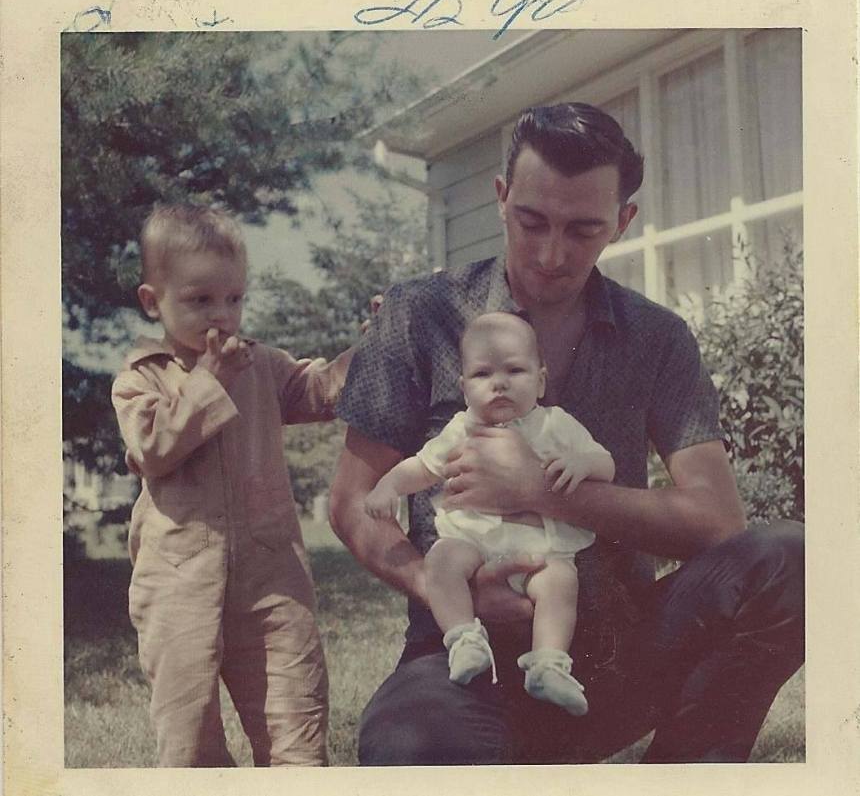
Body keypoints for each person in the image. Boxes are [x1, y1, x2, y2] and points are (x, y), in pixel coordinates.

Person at [329, 102, 804, 764]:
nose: (552, 254)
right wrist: (445, 590)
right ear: (501, 198)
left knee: (791, 559)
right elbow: (353, 501)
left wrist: (543, 490)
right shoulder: (419, 313)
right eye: (532, 222)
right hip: (463, 658)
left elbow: (717, 520)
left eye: (584, 229)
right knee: (416, 749)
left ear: (623, 221)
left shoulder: (658, 337)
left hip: (617, 654)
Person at [112, 204, 361, 767]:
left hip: (271, 578)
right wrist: (207, 381)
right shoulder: (140, 377)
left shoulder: (260, 365)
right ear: (153, 301)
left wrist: (376, 348)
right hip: (177, 583)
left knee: (296, 729)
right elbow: (151, 449)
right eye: (201, 300)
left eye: (234, 298)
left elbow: (322, 389)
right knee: (189, 741)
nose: (222, 316)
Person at [364, 311, 615, 716]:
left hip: (540, 549)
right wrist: (388, 486)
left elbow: (606, 463)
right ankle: (465, 639)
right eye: (483, 374)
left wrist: (581, 463)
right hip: (474, 542)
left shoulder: (555, 425)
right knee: (441, 559)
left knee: (560, 582)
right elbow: (422, 467)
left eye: (515, 370)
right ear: (464, 388)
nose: (499, 383)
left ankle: (548, 664)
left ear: (540, 381)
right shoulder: (460, 430)